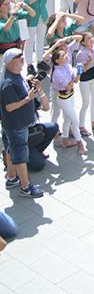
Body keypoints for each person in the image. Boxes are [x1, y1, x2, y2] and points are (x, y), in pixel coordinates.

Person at [0, 48, 48, 198]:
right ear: (9, 62)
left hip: (16, 125)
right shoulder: (8, 83)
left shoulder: (16, 76)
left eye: (22, 57)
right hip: (16, 125)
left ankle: (11, 178)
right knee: (20, 155)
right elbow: (9, 107)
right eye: (18, 57)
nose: (22, 59)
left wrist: (28, 82)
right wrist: (28, 98)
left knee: (10, 149)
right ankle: (26, 187)